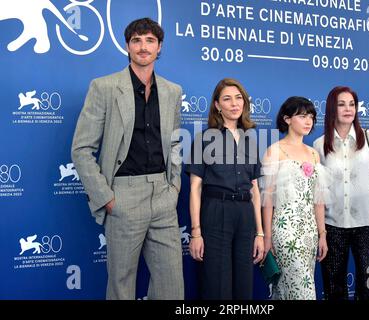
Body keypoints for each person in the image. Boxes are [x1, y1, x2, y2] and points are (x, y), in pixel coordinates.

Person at [71, 18, 184, 300]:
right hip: (122, 196)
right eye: (136, 40)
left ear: (160, 48)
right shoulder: (104, 87)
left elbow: (175, 144)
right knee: (121, 285)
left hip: (163, 195)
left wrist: (174, 188)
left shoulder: (172, 91)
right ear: (127, 46)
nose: (143, 47)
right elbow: (82, 149)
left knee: (172, 287)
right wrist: (106, 197)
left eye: (149, 40)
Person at [185, 78, 264, 300]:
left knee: (244, 286)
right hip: (216, 212)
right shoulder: (204, 139)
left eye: (239, 98)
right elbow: (194, 188)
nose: (234, 103)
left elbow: (255, 190)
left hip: (245, 215)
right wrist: (196, 232)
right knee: (216, 286)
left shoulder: (250, 140)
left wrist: (259, 232)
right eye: (227, 99)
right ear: (218, 106)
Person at [313, 86, 369, 300]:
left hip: (367, 224)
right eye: (341, 104)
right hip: (333, 225)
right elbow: (319, 186)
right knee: (333, 286)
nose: (348, 109)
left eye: (352, 104)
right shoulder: (320, 145)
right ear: (331, 109)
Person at [260, 96, 329, 300]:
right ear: (287, 119)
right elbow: (267, 199)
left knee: (288, 290)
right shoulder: (274, 151)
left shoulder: (314, 154)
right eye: (302, 116)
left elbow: (318, 199)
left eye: (311, 117)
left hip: (309, 232)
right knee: (302, 291)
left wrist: (322, 234)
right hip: (285, 232)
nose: (308, 121)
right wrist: (267, 237)